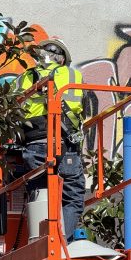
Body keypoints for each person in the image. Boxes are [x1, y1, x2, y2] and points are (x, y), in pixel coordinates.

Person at [14, 38, 85, 242]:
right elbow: (77, 108)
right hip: (62, 143)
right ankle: (62, 242)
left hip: (33, 145)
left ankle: (39, 241)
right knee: (72, 196)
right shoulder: (71, 74)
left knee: (39, 191)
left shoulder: (22, 79)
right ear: (62, 59)